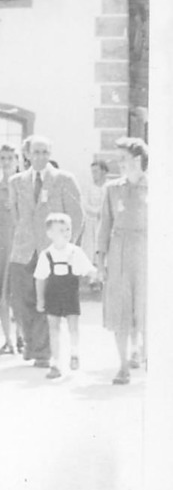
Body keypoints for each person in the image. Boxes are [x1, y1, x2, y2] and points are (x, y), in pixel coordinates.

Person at [7, 135, 84, 367]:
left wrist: (67, 248)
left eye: (44, 152)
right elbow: (16, 217)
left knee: (46, 301)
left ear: (50, 155)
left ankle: (41, 351)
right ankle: (33, 344)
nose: (40, 157)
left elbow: (77, 217)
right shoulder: (16, 181)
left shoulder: (64, 180)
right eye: (36, 152)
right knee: (20, 301)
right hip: (23, 251)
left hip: (52, 251)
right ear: (27, 155)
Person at [98, 136, 149, 384]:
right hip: (119, 253)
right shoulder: (112, 189)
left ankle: (143, 351)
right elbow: (103, 226)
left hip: (146, 253)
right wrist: (100, 261)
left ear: (138, 160)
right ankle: (123, 365)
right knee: (120, 309)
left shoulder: (156, 187)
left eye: (124, 159)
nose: (119, 164)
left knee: (146, 307)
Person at [32, 211, 94, 379]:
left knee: (73, 327)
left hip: (70, 294)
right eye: (61, 230)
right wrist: (40, 299)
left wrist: (95, 273)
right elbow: (40, 279)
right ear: (50, 234)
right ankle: (56, 362)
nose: (66, 233)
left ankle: (74, 353)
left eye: (68, 229)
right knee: (54, 328)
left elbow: (89, 269)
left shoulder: (76, 252)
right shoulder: (46, 255)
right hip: (53, 295)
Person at [0, 143, 23, 354]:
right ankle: (8, 339)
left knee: (20, 293)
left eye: (10, 157)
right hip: (1, 245)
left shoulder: (25, 185)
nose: (7, 162)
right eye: (3, 158)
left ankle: (21, 336)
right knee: (2, 295)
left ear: (18, 160)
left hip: (21, 245)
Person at [83, 158, 111, 259]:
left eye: (96, 171)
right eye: (92, 172)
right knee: (90, 248)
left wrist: (104, 213)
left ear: (103, 171)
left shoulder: (110, 186)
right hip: (92, 221)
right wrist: (97, 212)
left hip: (106, 222)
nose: (93, 174)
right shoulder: (89, 187)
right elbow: (85, 204)